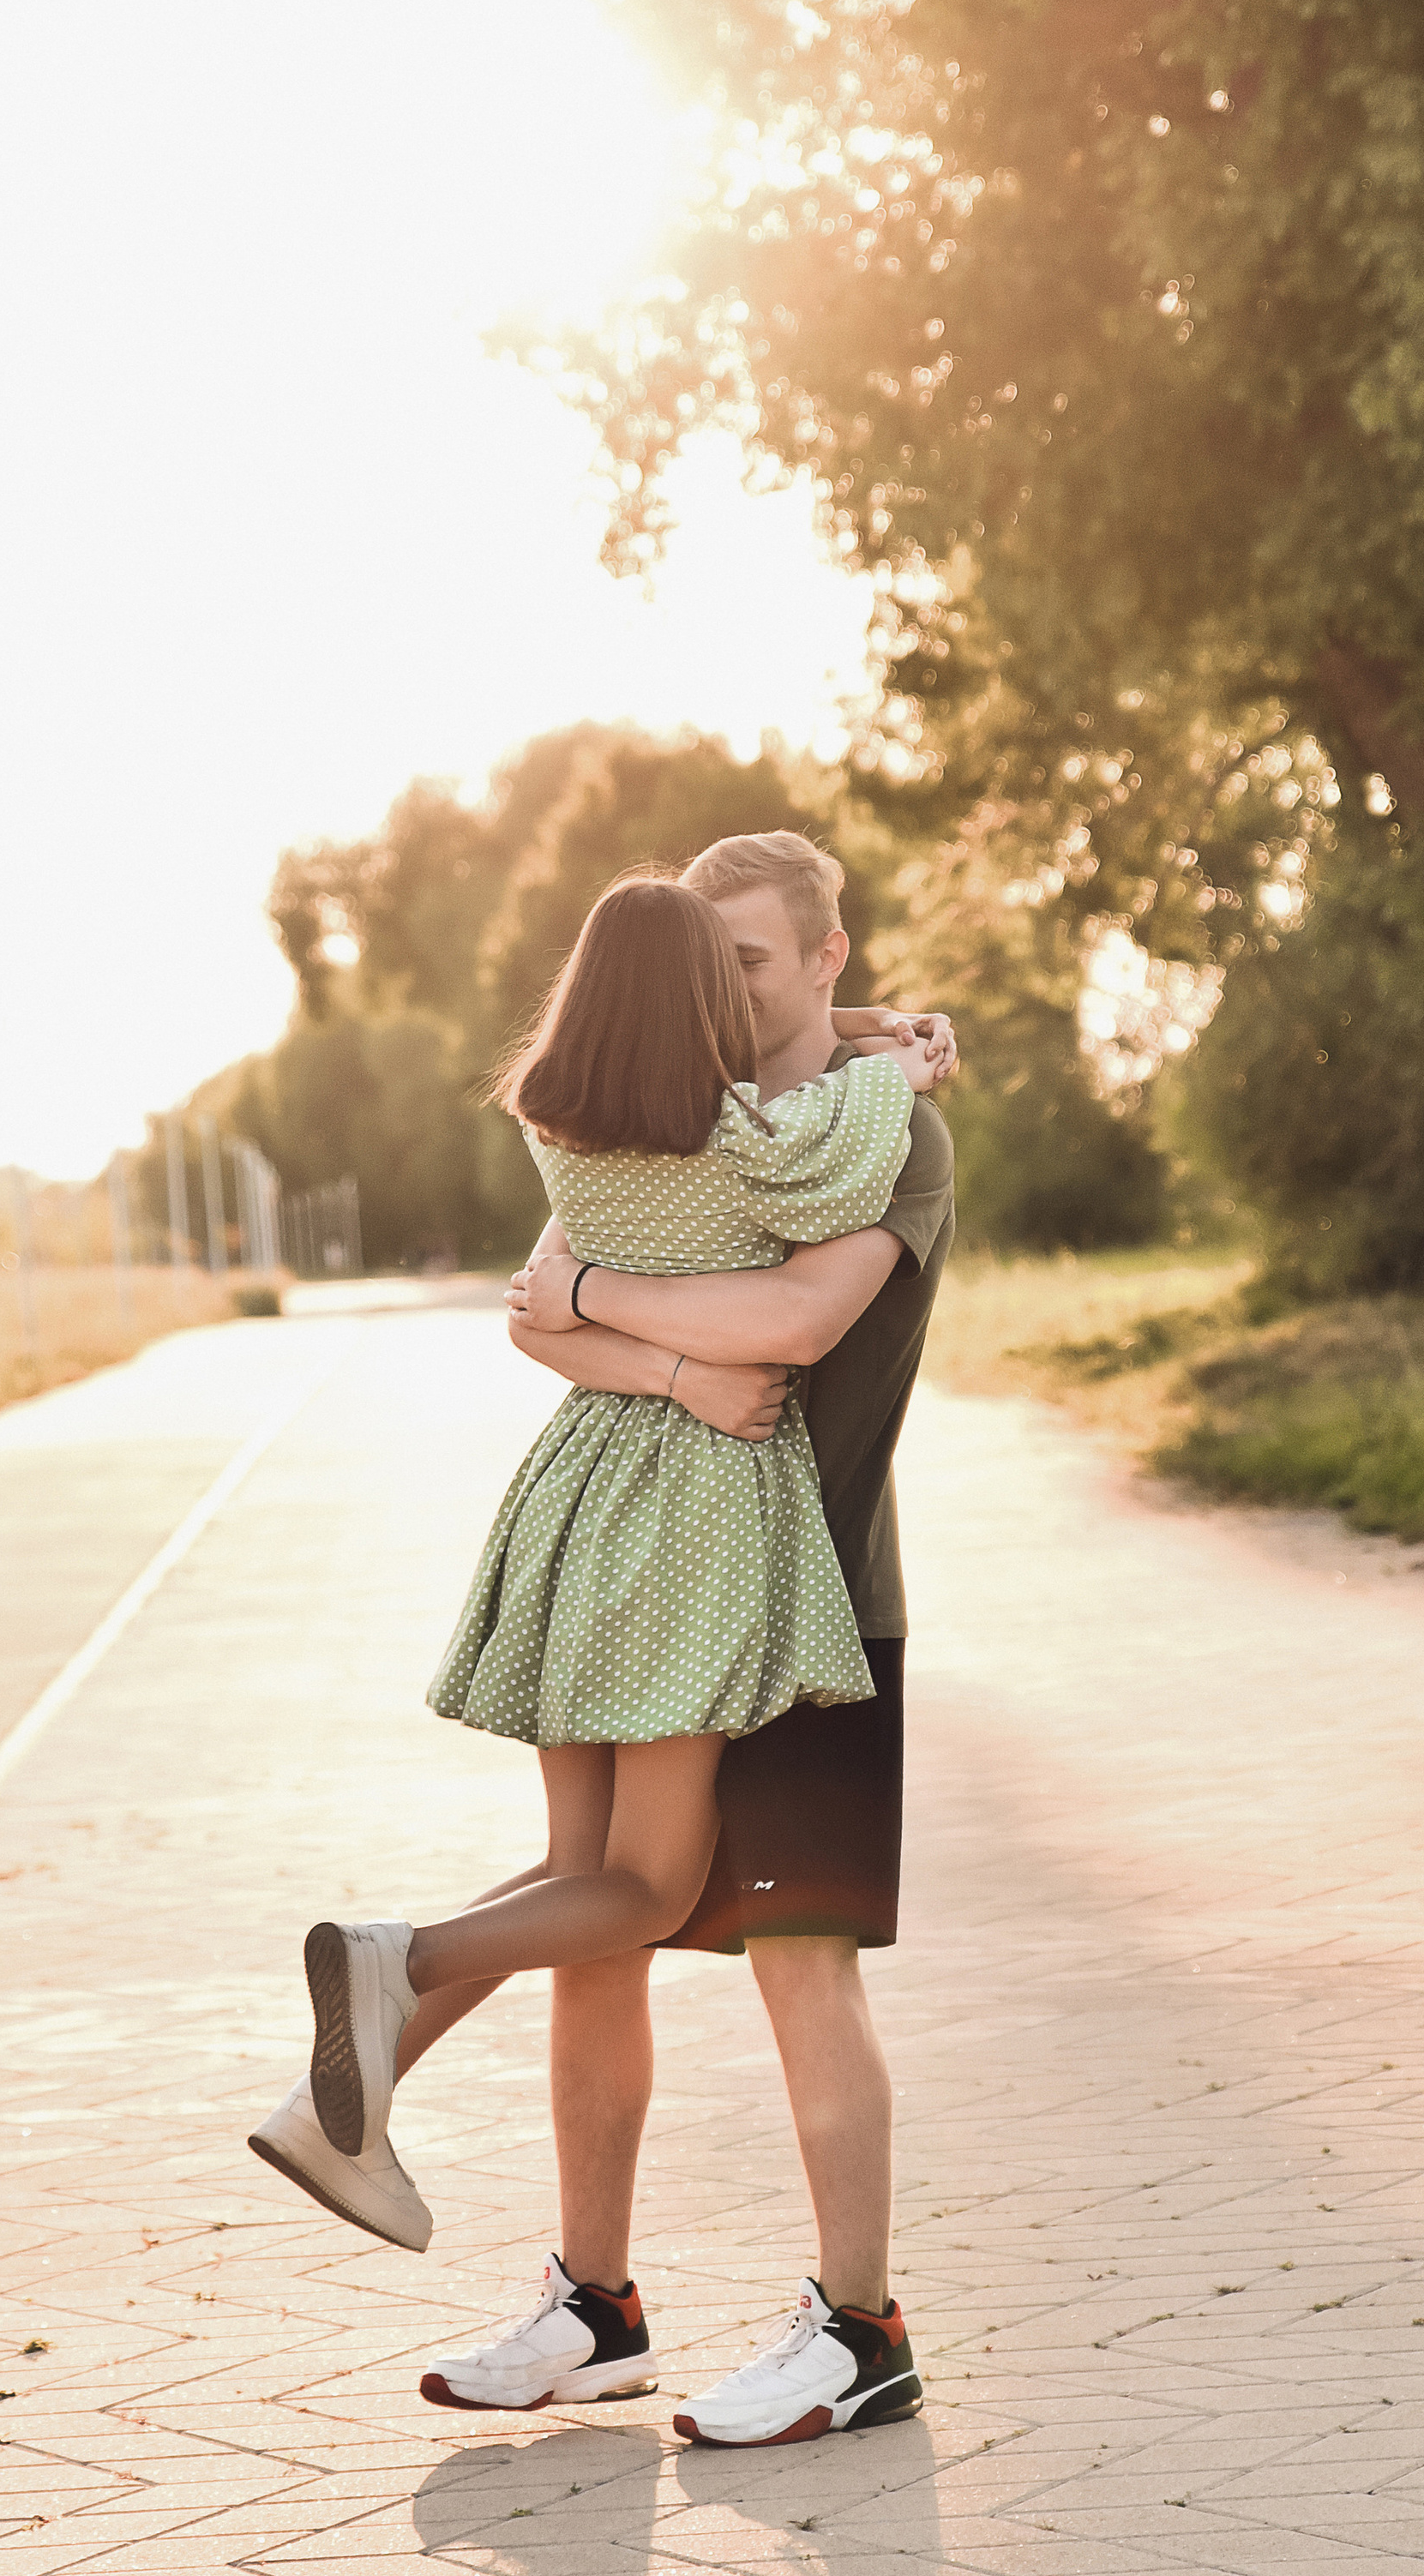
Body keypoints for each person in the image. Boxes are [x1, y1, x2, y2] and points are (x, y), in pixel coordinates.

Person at [252, 867, 945, 2441]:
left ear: (825, 959)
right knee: (602, 1927)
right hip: (688, 1562)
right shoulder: (690, 1111)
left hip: (823, 1596)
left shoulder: (884, 1126)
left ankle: (861, 2326)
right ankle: (598, 2304)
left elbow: (800, 1315)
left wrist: (593, 1291)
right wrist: (628, 1336)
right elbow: (532, 1315)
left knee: (796, 1962)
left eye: (766, 962)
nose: (747, 993)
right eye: (722, 964)